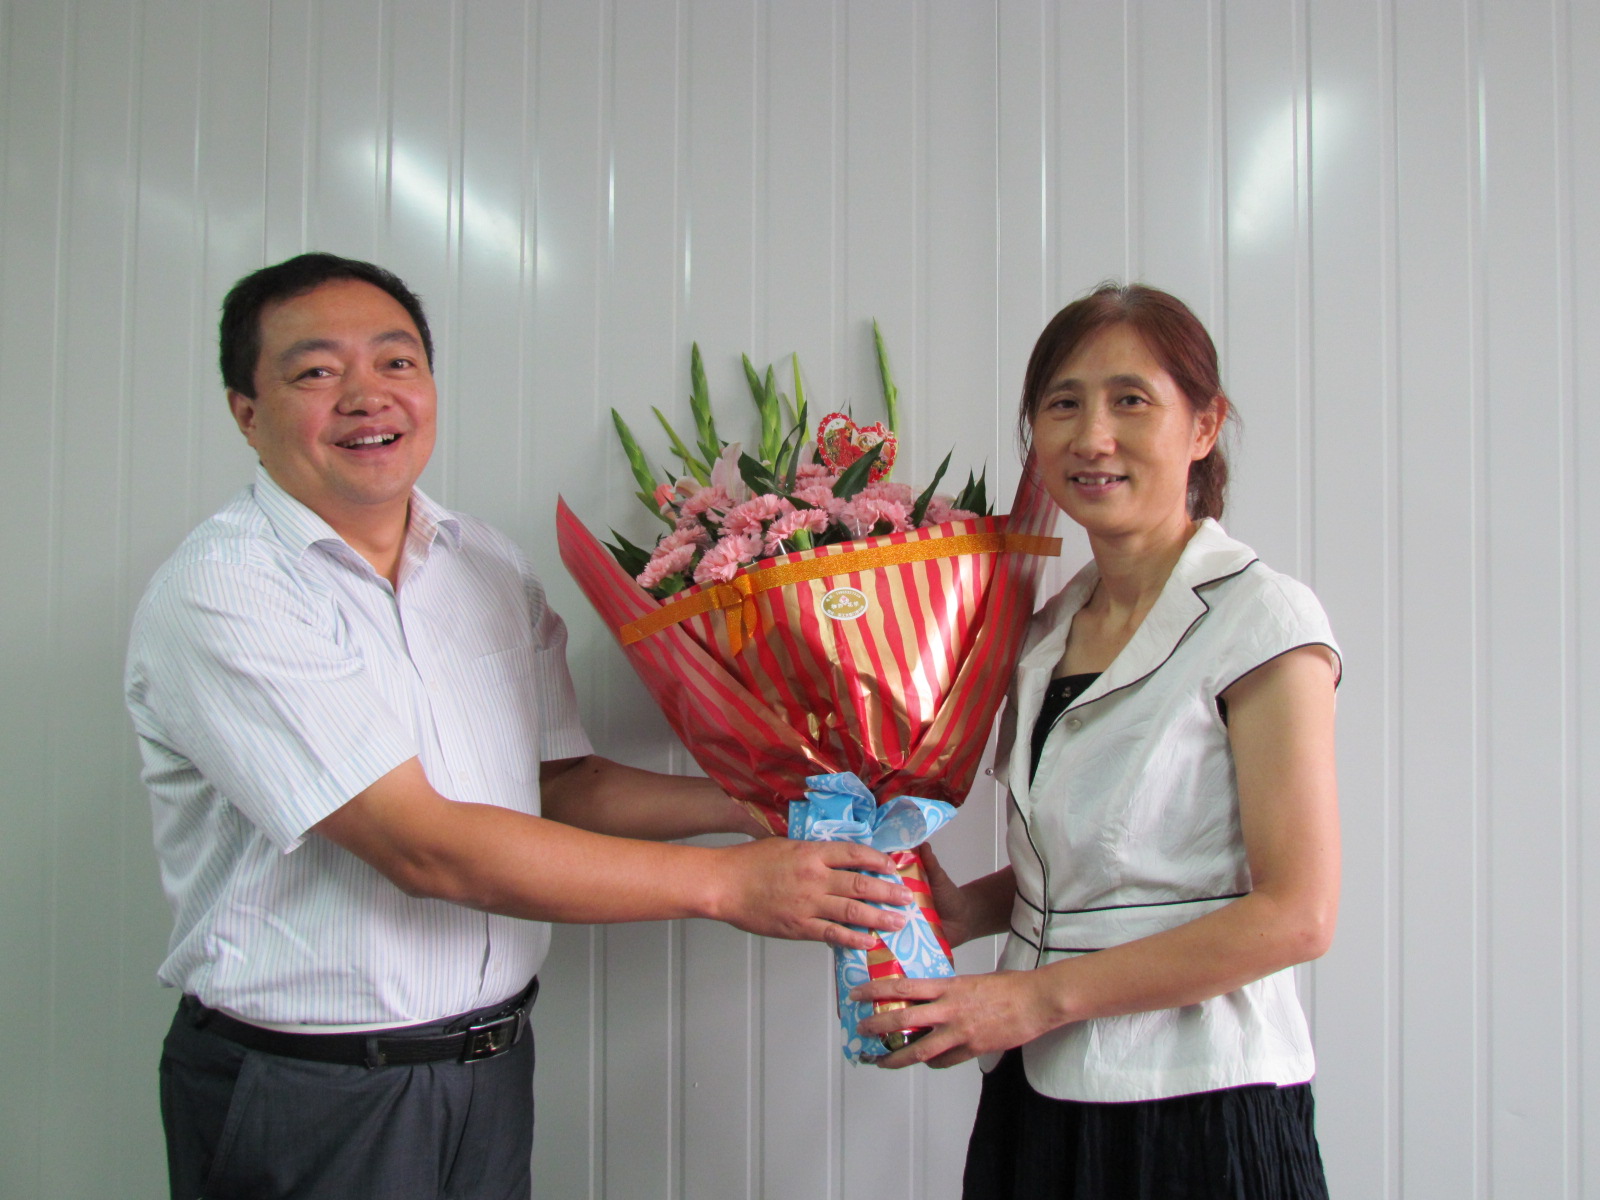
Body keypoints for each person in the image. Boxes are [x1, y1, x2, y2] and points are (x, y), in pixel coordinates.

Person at [125, 252, 913, 1200]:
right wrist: (731, 885)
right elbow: (422, 846)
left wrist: (761, 802)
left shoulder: (485, 564)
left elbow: (562, 786)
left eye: (396, 362)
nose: (367, 396)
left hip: (491, 1069)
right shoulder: (226, 591)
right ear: (246, 412)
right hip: (314, 1091)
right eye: (317, 372)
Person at [853, 283, 1340, 1198]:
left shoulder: (1262, 618)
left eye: (1131, 400)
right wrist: (956, 914)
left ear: (1204, 426)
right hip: (1035, 1092)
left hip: (1195, 1104)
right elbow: (1113, 863)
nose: (1093, 436)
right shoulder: (1047, 629)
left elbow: (1297, 914)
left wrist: (1032, 999)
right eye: (1063, 404)